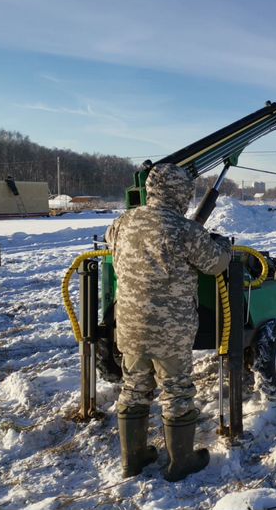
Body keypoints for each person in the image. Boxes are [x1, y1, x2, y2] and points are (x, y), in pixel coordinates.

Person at [105, 163, 232, 481]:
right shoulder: (184, 229)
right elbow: (216, 264)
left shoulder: (123, 222)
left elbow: (112, 242)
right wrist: (224, 246)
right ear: (182, 193)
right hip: (170, 330)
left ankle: (132, 459)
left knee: (134, 387)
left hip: (130, 325)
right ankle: (182, 461)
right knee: (176, 391)